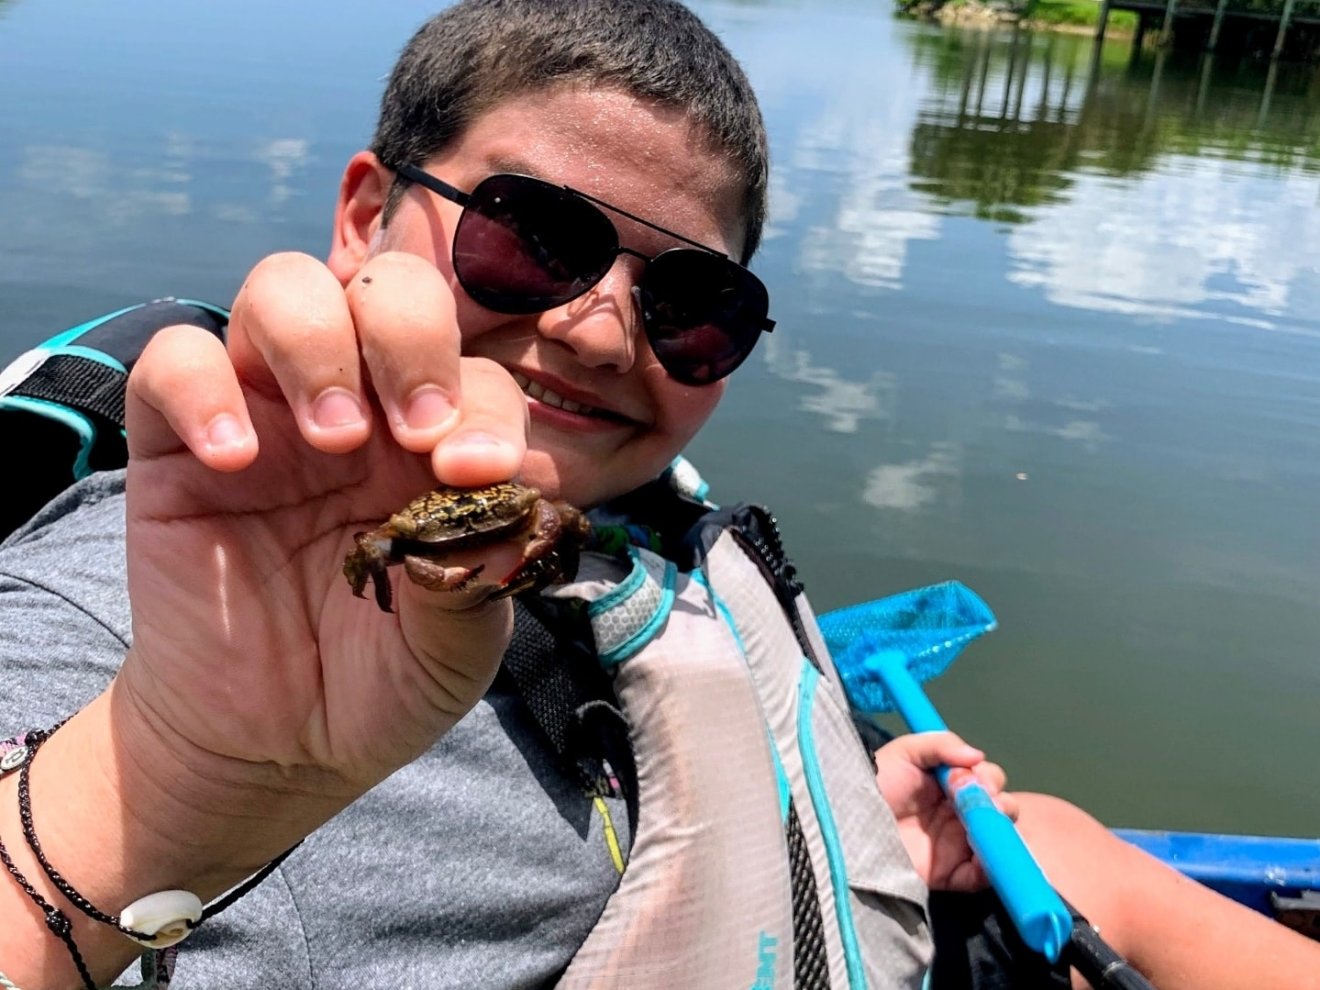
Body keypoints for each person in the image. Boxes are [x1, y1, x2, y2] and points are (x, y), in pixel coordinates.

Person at [0, 2, 1317, 988]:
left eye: (691, 306)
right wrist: (173, 779)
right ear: (364, 217)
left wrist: (840, 812)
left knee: (1046, 837)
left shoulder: (643, 542)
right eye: (533, 236)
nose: (595, 329)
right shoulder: (176, 595)